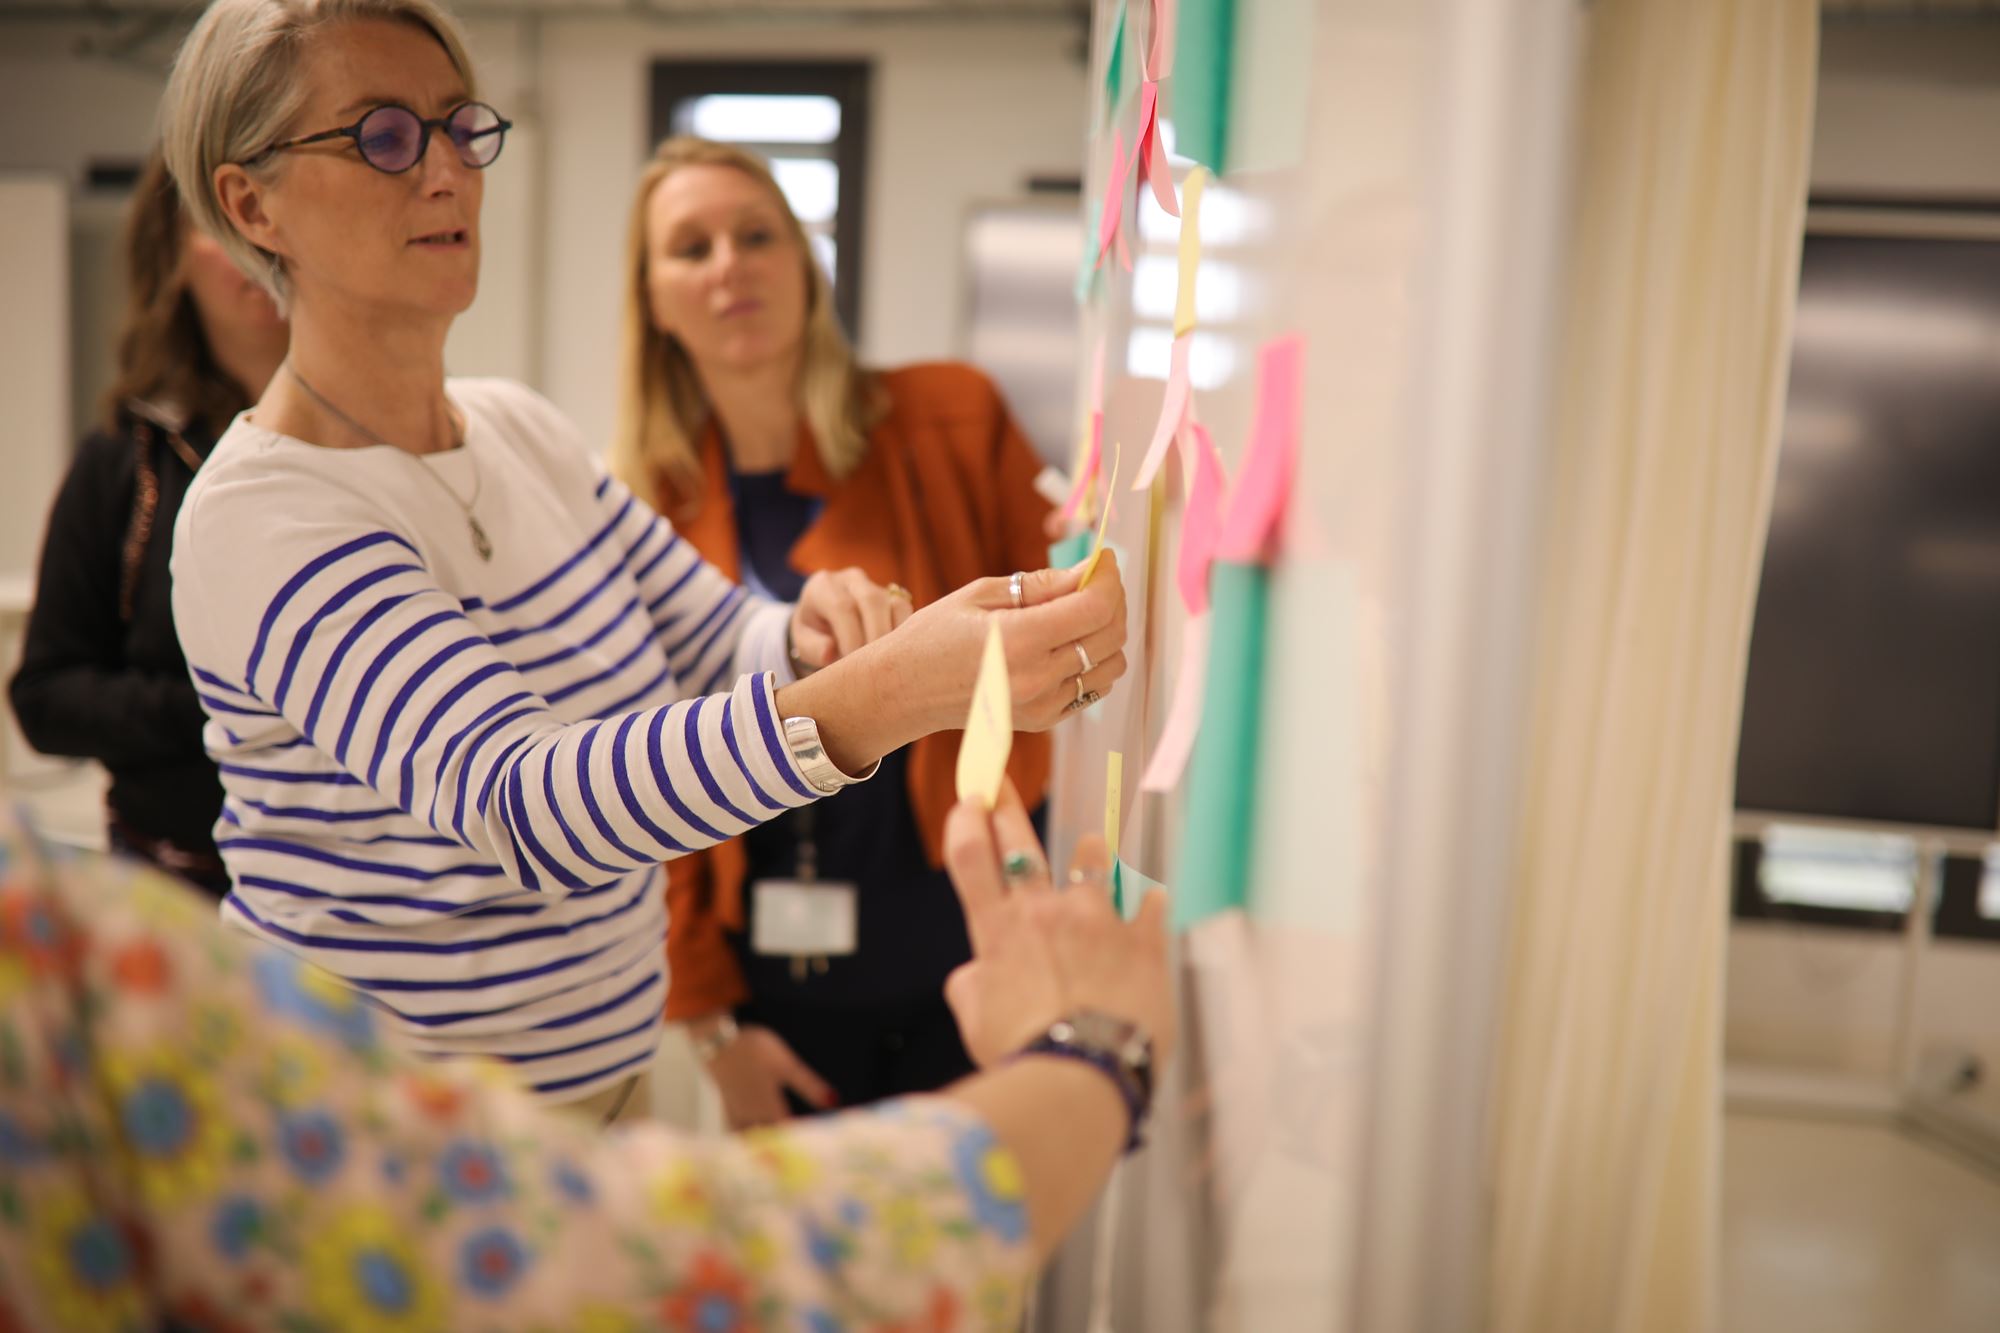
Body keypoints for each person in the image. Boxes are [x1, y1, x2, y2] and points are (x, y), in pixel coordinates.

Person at [157, 0, 1129, 1119]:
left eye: (456, 125)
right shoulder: (268, 514)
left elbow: (719, 638)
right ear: (251, 202)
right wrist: (890, 692)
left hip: (604, 1096)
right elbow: (523, 805)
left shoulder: (517, 428)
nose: (444, 174)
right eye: (381, 136)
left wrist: (814, 627)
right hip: (393, 1137)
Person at [0, 779, 1172, 1329]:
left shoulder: (535, 453)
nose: (731, 272)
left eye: (757, 257)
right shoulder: (50, 976)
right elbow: (658, 1275)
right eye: (692, 259)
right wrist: (1088, 1055)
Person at [609, 137, 1060, 1127]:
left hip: (972, 954)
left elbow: (1061, 630)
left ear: (803, 266)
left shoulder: (948, 416)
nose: (729, 263)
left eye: (756, 234)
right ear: (651, 299)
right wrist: (712, 1029)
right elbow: (648, 791)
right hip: (781, 1004)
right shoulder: (643, 515)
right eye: (691, 247)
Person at [8, 151, 288, 897]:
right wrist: (229, 707)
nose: (253, 242)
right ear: (170, 256)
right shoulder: (122, 464)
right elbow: (46, 696)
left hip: (356, 893)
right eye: (219, 219)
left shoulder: (375, 440)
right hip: (177, 885)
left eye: (271, 208)